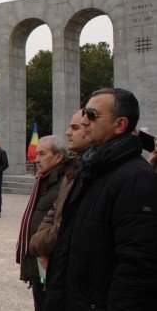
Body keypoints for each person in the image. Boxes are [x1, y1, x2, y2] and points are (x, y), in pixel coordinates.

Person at [44, 88, 157, 310]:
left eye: (92, 115)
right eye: (85, 112)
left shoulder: (137, 179)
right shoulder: (89, 171)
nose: (84, 120)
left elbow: (138, 272)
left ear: (120, 125)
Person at [29, 110, 92, 285]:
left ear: (58, 156)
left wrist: (37, 242)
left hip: (57, 263)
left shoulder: (68, 177)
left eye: (42, 154)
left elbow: (65, 224)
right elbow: (52, 213)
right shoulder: (53, 178)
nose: (67, 132)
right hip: (42, 260)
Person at [16, 135, 69, 310]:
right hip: (38, 261)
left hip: (50, 263)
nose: (36, 159)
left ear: (59, 156)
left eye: (42, 154)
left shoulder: (65, 182)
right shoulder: (44, 179)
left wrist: (39, 245)